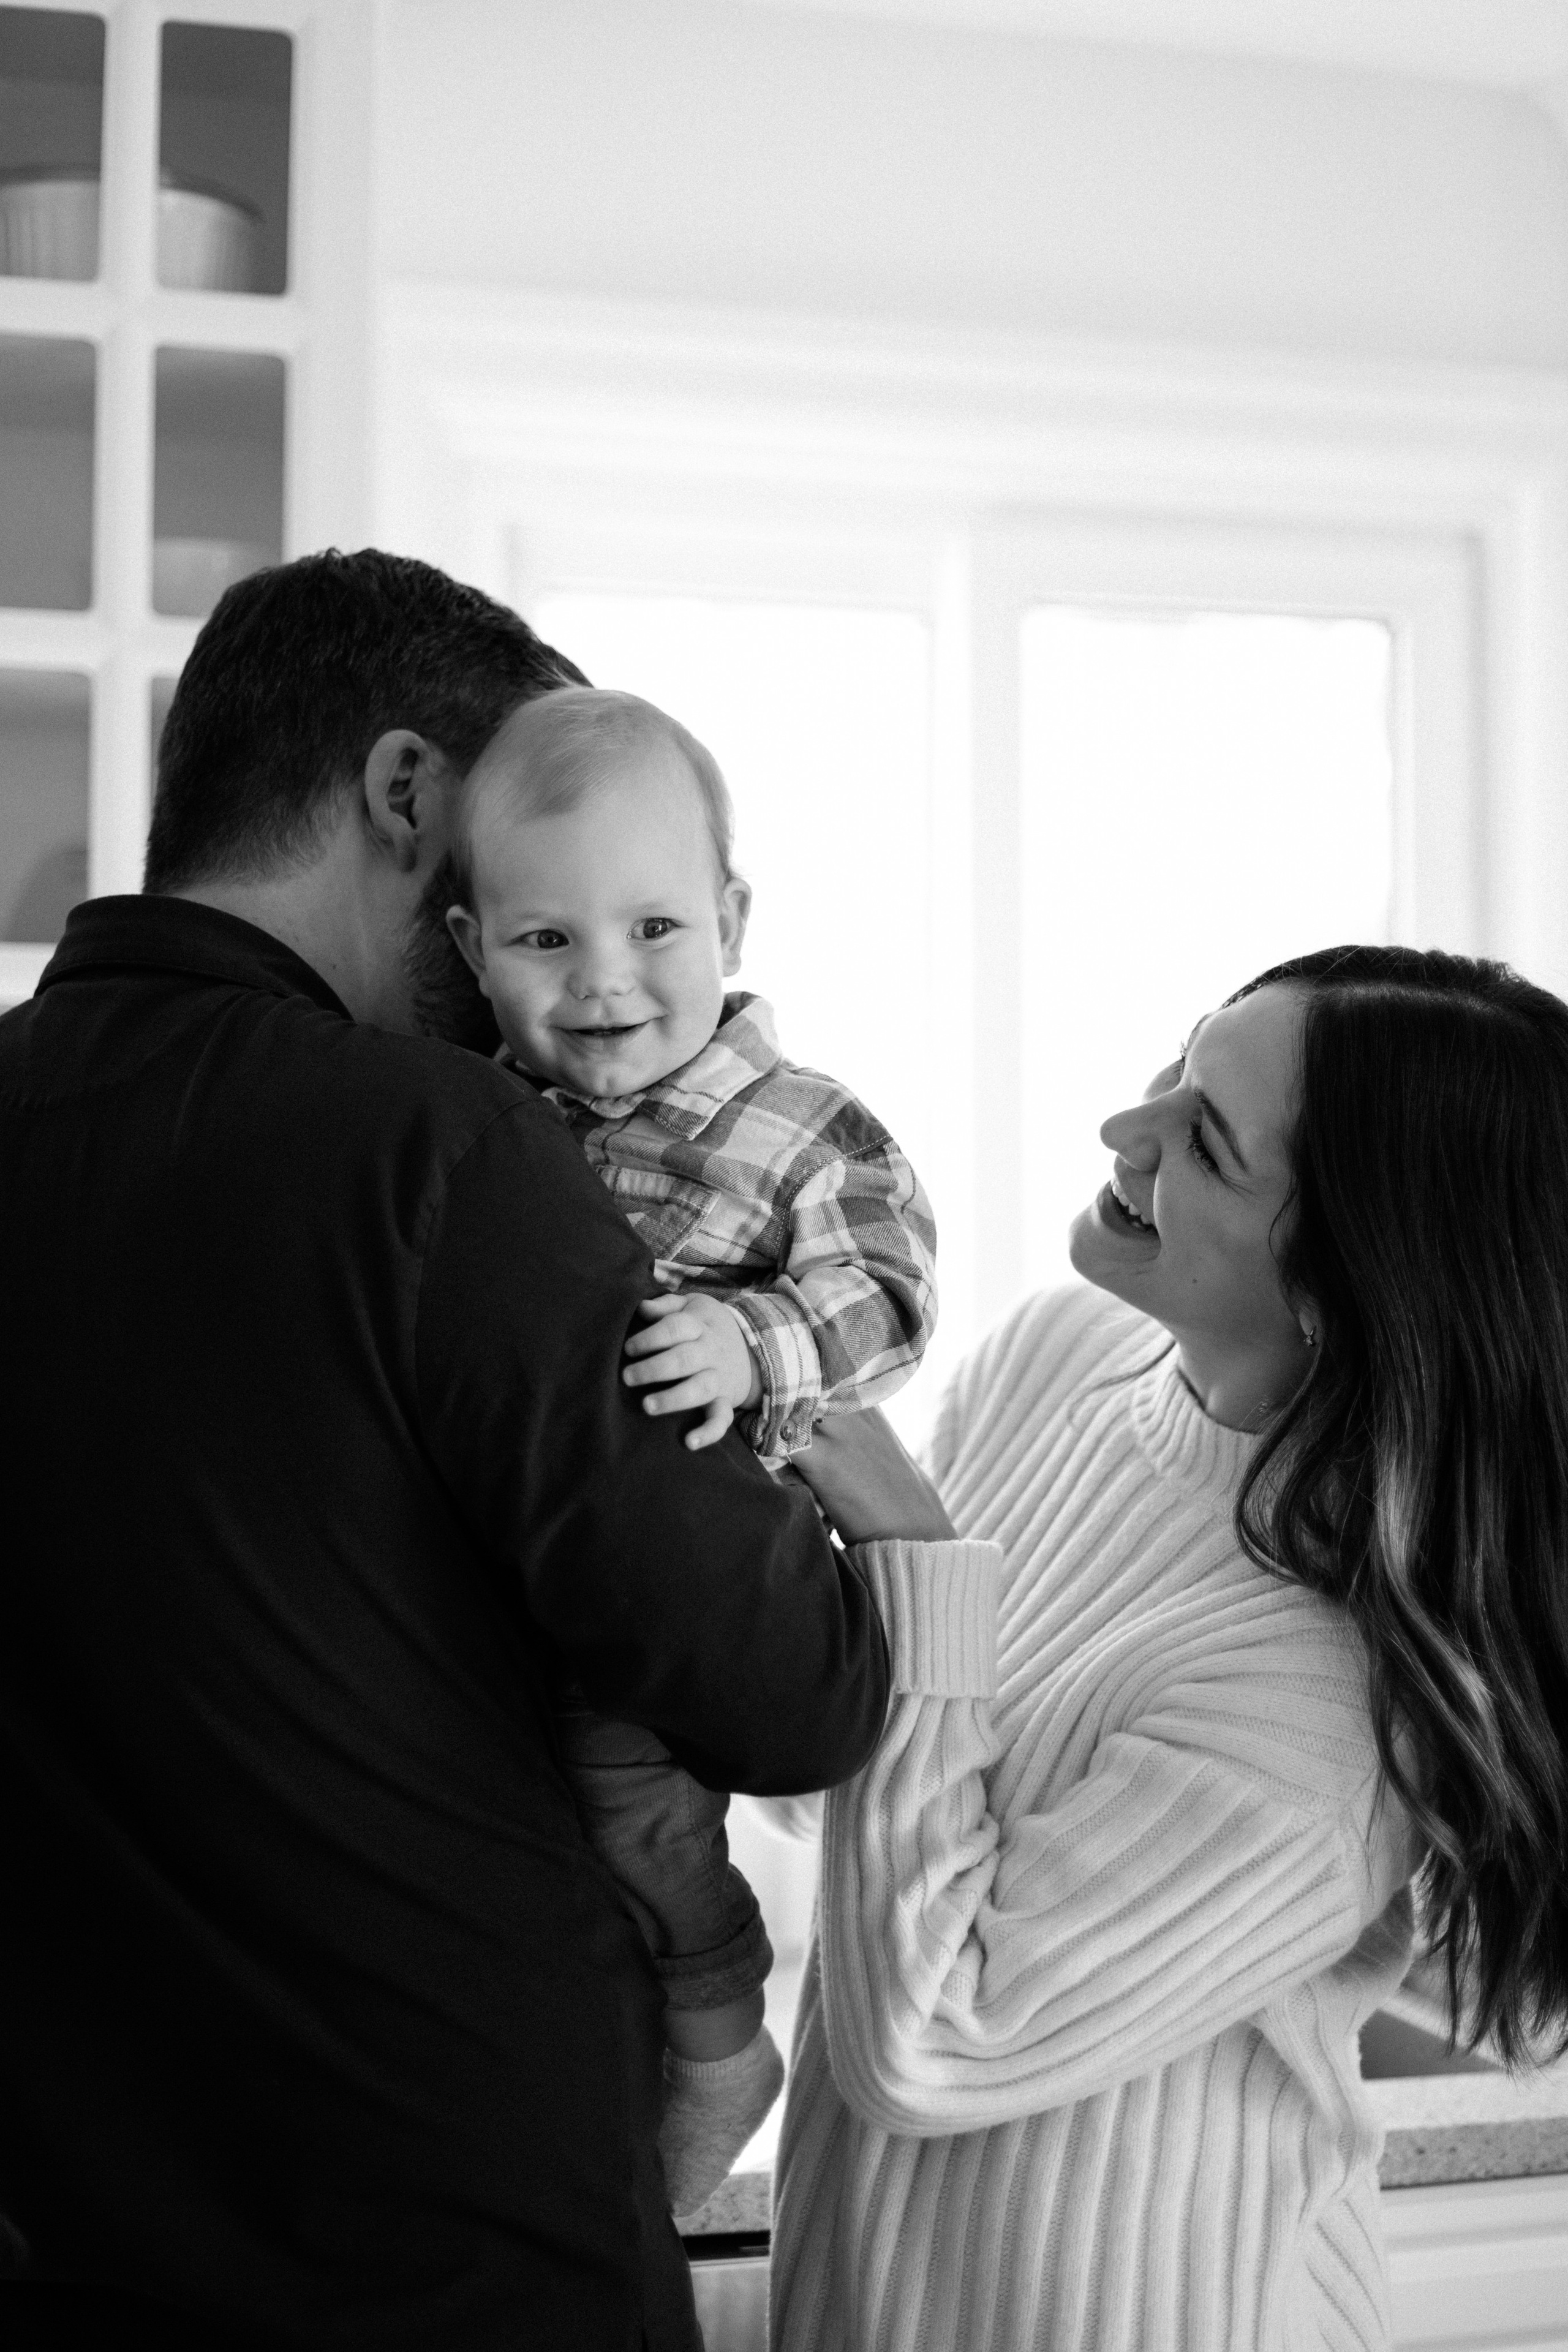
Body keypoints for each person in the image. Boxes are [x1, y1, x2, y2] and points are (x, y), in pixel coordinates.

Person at [0, 551, 897, 2352]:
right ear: (413, 797)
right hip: (453, 2250)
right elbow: (784, 1692)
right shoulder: (443, 1147)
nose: (550, 983)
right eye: (519, 893)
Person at [771, 944, 1568, 2352]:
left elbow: (935, 2035)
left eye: (1200, 1141)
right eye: (1174, 1072)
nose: (1122, 1137)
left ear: (1349, 1273)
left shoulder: (1325, 1703)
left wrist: (910, 1560)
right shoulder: (1056, 1357)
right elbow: (851, 1784)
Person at [444, 685, 937, 2214]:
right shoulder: (483, 1115)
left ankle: (723, 2031)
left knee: (634, 1806)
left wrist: (754, 1343)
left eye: (653, 929)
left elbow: (894, 1290)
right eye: (545, 943)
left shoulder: (796, 1125)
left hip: (699, 1563)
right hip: (517, 1564)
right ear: (469, 949)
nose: (604, 983)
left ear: (728, 916)